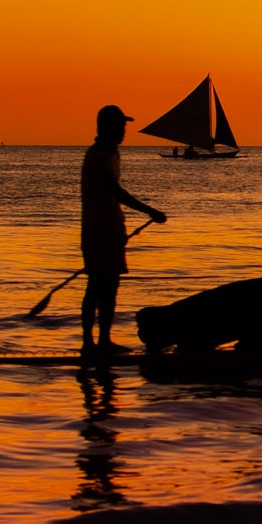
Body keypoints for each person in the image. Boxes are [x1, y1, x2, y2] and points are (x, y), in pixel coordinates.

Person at [79, 104, 167, 356]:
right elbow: (114, 191)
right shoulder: (99, 156)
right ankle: (89, 343)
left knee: (110, 287)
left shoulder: (111, 153)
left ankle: (103, 341)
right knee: (97, 286)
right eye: (119, 126)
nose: (123, 131)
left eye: (123, 126)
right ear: (106, 128)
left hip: (112, 231)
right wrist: (150, 211)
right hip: (98, 232)